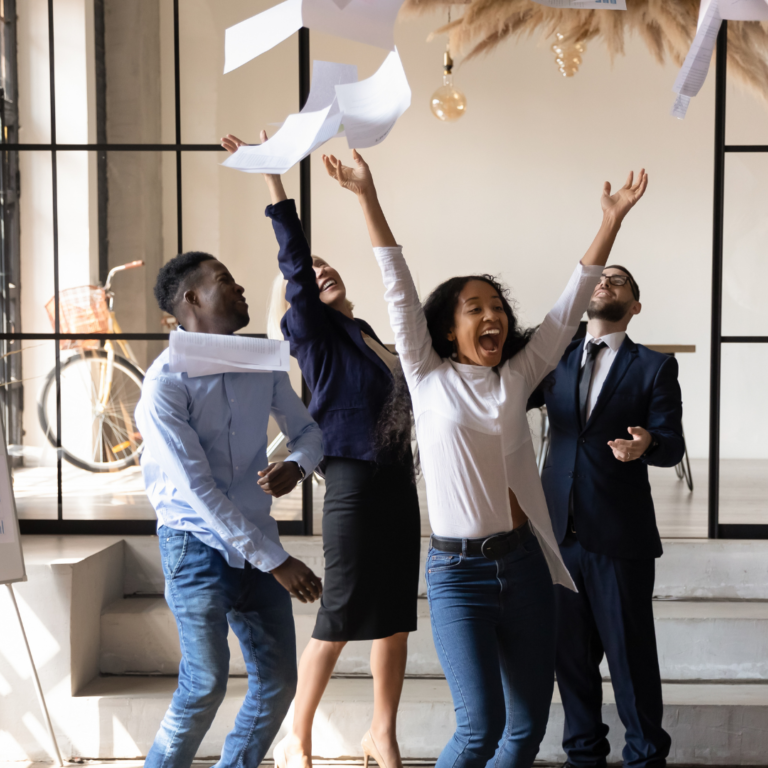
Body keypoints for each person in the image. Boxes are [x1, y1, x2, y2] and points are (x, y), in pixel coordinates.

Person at [324, 147, 648, 768]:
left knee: (525, 730)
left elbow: (566, 307)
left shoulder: (518, 376)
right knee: (479, 730)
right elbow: (396, 281)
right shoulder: (425, 373)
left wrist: (611, 220)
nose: (493, 317)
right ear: (448, 330)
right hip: (458, 576)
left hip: (524, 568)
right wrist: (367, 195)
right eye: (476, 309)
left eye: (498, 309)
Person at [220, 131, 420, 768]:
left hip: (397, 484)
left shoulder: (363, 335)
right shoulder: (315, 339)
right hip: (354, 484)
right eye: (314, 272)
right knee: (339, 613)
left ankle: (380, 735)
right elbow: (296, 267)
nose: (322, 271)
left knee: (395, 615)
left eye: (331, 267)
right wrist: (276, 181)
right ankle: (298, 734)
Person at [135, 250, 325, 768]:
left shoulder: (260, 361)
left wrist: (298, 465)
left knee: (280, 682)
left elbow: (309, 431)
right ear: (191, 300)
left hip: (256, 539)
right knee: (204, 683)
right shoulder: (164, 384)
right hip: (194, 544)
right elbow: (200, 492)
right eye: (226, 281)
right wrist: (277, 561)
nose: (241, 289)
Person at [528, 264, 684, 768]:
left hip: (619, 537)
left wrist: (648, 444)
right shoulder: (554, 358)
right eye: (602, 277)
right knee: (570, 664)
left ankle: (644, 758)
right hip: (557, 536)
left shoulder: (654, 367)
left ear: (634, 305)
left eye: (619, 281)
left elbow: (671, 441)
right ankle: (583, 758)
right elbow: (504, 397)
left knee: (631, 662)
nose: (606, 283)